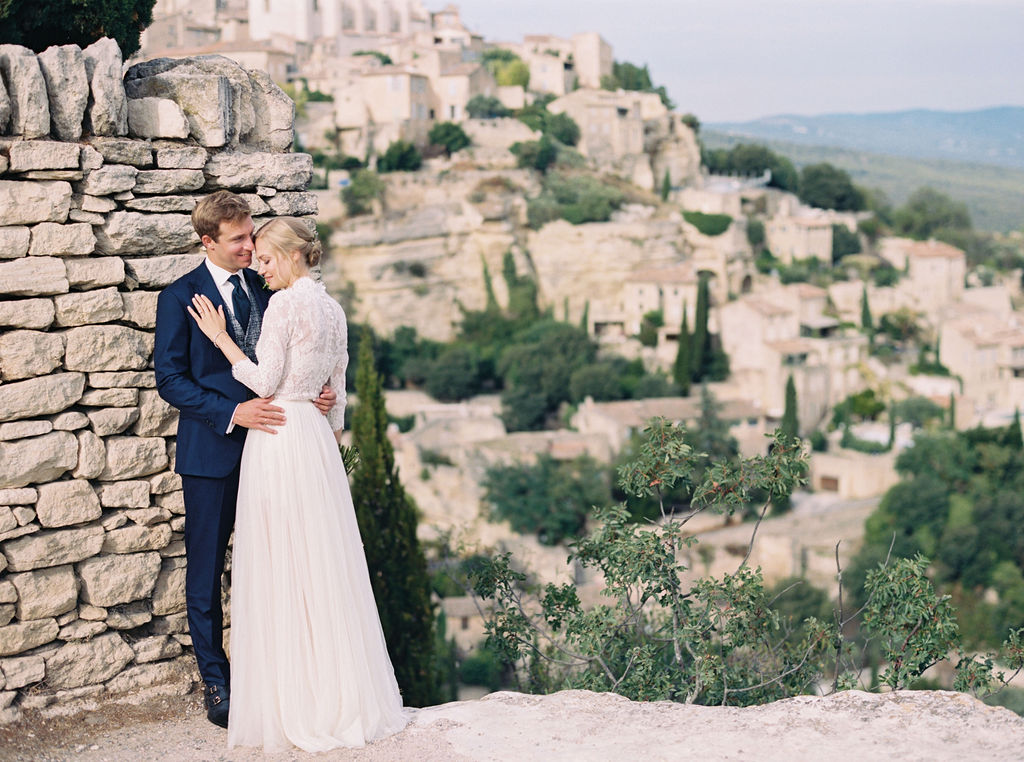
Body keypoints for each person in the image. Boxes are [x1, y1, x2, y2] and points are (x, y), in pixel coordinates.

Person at [186, 216, 407, 752]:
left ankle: (293, 699)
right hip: (314, 440)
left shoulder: (284, 305)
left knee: (281, 562)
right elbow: (339, 397)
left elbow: (264, 381)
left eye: (265, 259)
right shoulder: (334, 310)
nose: (259, 269)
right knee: (320, 563)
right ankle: (335, 691)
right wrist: (323, 430)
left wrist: (221, 339)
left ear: (289, 255)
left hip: (278, 434)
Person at [154, 192, 336, 729]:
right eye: (237, 239)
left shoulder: (268, 284)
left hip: (277, 450)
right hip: (213, 453)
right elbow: (171, 380)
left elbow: (294, 357)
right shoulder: (178, 297)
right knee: (206, 571)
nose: (249, 248)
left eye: (251, 236)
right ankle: (218, 684)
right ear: (206, 241)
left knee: (282, 562)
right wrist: (234, 412)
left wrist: (319, 392)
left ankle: (281, 679)